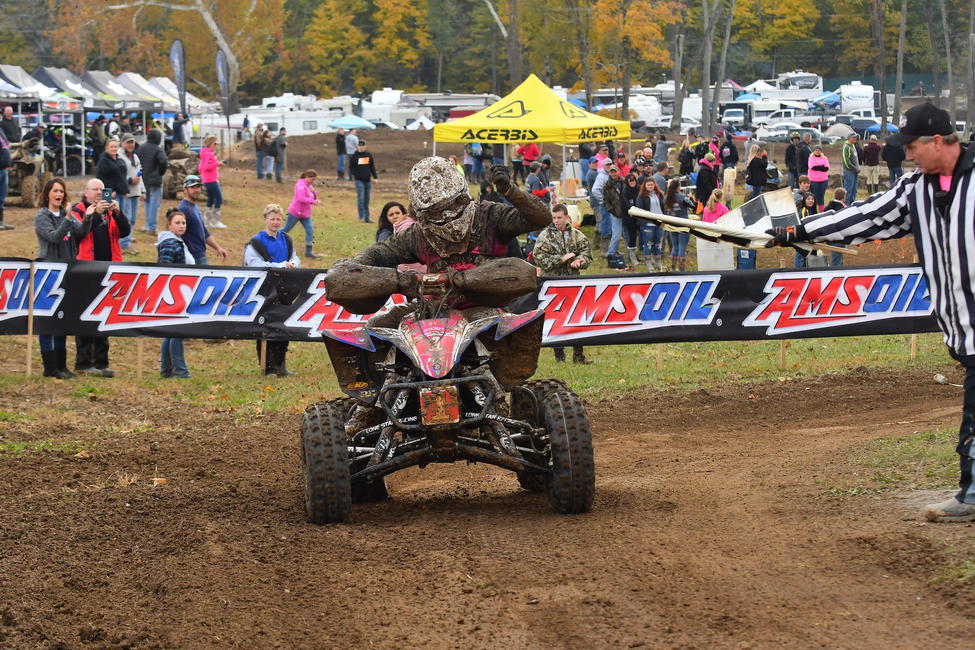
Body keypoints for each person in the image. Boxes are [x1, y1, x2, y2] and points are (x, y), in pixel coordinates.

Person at [766, 103, 975, 522]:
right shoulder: (915, 189)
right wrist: (799, 231)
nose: (907, 156)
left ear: (938, 141)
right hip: (962, 328)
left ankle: (971, 494)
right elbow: (865, 217)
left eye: (912, 147)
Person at [71, 179, 130, 377]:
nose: (99, 193)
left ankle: (102, 363)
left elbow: (125, 232)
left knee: (104, 316)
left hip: (108, 270)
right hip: (86, 269)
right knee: (85, 316)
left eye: (102, 189)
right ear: (86, 192)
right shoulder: (78, 210)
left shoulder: (110, 211)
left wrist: (119, 213)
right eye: (95, 189)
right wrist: (94, 215)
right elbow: (78, 234)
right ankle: (83, 362)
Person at [35, 177, 90, 378]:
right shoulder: (42, 216)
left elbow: (81, 232)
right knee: (47, 322)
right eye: (55, 191)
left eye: (61, 191)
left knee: (62, 321)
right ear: (47, 193)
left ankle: (61, 366)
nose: (59, 194)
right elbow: (55, 237)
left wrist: (90, 216)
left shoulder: (66, 215)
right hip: (48, 274)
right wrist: (68, 218)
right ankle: (49, 368)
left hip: (67, 273)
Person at [532, 203, 593, 364]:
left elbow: (587, 254)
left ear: (567, 217)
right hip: (553, 284)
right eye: (554, 218)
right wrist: (561, 259)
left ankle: (578, 355)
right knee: (556, 319)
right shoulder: (545, 236)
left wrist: (580, 261)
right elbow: (538, 258)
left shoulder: (577, 235)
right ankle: (559, 357)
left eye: (560, 217)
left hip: (573, 283)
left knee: (577, 318)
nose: (557, 221)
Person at [245, 204, 300, 377]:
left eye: (278, 219)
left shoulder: (286, 239)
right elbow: (253, 264)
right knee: (265, 326)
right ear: (265, 220)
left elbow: (294, 257)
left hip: (285, 289)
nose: (275, 222)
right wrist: (278, 265)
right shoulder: (256, 241)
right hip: (264, 289)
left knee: (283, 326)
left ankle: (281, 366)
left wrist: (293, 264)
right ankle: (267, 367)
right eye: (272, 219)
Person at [156, 207, 194, 378]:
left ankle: (167, 370)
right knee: (177, 331)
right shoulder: (170, 243)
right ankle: (180, 371)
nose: (181, 226)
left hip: (178, 291)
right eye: (177, 223)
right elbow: (164, 267)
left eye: (183, 223)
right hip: (174, 292)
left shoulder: (178, 241)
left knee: (171, 332)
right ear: (169, 225)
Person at [177, 175, 229, 265]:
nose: (197, 190)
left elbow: (203, 231)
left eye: (198, 187)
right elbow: (177, 234)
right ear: (185, 190)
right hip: (193, 258)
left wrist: (217, 247)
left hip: (201, 255)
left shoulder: (195, 207)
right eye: (193, 187)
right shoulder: (184, 209)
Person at [116, 134, 145, 253]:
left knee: (132, 218)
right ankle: (124, 243)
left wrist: (143, 190)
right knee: (126, 218)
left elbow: (140, 173)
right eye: (128, 142)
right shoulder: (119, 156)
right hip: (125, 191)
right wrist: (129, 180)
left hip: (135, 191)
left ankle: (127, 239)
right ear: (122, 143)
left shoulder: (135, 156)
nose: (130, 144)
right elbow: (118, 174)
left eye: (132, 142)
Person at [136, 128, 167, 236]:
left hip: (143, 179)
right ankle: (152, 227)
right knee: (155, 203)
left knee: (147, 202)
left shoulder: (141, 148)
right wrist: (160, 172)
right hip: (155, 180)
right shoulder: (158, 149)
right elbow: (163, 161)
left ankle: (148, 225)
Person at [284, 169, 321, 258]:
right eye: (313, 179)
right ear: (307, 177)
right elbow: (301, 198)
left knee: (310, 230)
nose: (313, 182)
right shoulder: (300, 185)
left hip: (305, 213)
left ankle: (309, 252)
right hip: (295, 212)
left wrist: (313, 191)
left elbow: (313, 196)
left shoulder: (308, 185)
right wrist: (314, 202)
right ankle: (271, 237)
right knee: (286, 230)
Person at [663, 178, 696, 271]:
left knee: (675, 246)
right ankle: (682, 270)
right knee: (682, 247)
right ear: (678, 187)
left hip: (672, 224)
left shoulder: (666, 198)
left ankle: (673, 268)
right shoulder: (682, 197)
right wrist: (690, 197)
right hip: (683, 224)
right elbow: (693, 206)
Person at [198, 134, 226, 229]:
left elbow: (200, 167)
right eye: (215, 143)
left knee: (211, 198)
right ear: (211, 143)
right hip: (211, 180)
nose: (216, 145)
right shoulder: (209, 154)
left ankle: (207, 221)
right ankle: (216, 221)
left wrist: (216, 163)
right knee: (219, 198)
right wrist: (218, 164)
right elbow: (207, 167)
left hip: (207, 179)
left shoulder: (204, 153)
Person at [636, 178, 665, 271]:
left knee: (658, 244)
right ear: (645, 185)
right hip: (647, 224)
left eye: (652, 185)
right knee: (648, 243)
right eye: (648, 185)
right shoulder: (641, 196)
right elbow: (639, 210)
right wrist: (643, 220)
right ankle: (648, 263)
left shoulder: (659, 194)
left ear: (654, 185)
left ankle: (658, 262)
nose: (650, 186)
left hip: (659, 222)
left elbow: (663, 206)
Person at [348, 139, 378, 223]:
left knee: (367, 199)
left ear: (365, 146)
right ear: (357, 146)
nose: (361, 147)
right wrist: (356, 175)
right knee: (361, 198)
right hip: (359, 180)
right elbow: (351, 168)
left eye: (362, 145)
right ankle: (362, 217)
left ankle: (367, 217)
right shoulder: (354, 156)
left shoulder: (368, 155)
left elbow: (372, 167)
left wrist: (375, 177)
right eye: (359, 145)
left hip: (367, 180)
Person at [602, 165, 626, 262]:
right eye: (611, 172)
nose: (613, 173)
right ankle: (611, 253)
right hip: (615, 212)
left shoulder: (624, 182)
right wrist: (610, 209)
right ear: (609, 173)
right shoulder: (607, 185)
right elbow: (605, 200)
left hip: (625, 211)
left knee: (625, 234)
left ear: (618, 172)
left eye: (614, 171)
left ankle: (616, 251)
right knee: (617, 233)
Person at [621, 173, 641, 270]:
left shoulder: (639, 189)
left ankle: (641, 254)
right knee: (632, 237)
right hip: (629, 218)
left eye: (633, 180)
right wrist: (634, 211)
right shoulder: (624, 192)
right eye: (630, 181)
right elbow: (626, 205)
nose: (632, 182)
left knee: (642, 236)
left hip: (640, 217)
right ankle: (632, 257)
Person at [823, 187, 847, 267]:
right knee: (837, 262)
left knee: (838, 258)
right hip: (839, 238)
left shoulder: (827, 208)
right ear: (843, 198)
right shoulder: (842, 209)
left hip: (829, 237)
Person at [807, 144, 830, 210]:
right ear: (814, 151)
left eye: (819, 150)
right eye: (816, 150)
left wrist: (818, 167)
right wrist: (821, 167)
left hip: (823, 180)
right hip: (814, 180)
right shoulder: (811, 158)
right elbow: (813, 167)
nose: (817, 151)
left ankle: (822, 210)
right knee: (814, 196)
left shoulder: (824, 158)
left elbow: (826, 168)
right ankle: (813, 210)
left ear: (821, 151)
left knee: (821, 196)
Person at [841, 132, 861, 203]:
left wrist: (858, 168)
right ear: (850, 138)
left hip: (855, 172)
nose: (856, 139)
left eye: (856, 137)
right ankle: (846, 205)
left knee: (854, 190)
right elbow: (846, 162)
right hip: (849, 172)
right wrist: (855, 168)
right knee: (848, 190)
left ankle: (852, 203)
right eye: (854, 137)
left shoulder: (853, 146)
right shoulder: (846, 147)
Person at [0, 130, 10, 231]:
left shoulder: (1, 131)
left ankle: (1, 221)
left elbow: (5, 147)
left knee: (1, 197)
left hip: (3, 168)